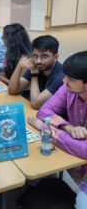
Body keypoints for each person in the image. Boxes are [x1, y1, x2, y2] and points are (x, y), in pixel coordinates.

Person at [28, 51, 87, 209]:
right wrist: (68, 127)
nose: (64, 80)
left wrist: (46, 130)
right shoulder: (69, 88)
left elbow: (84, 149)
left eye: (71, 79)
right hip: (75, 162)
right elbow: (44, 111)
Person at [8, 35, 64, 109]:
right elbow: (12, 90)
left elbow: (35, 104)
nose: (38, 61)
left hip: (57, 116)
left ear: (55, 57)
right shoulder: (36, 65)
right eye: (35, 56)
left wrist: (34, 75)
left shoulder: (61, 76)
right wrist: (19, 65)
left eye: (44, 56)